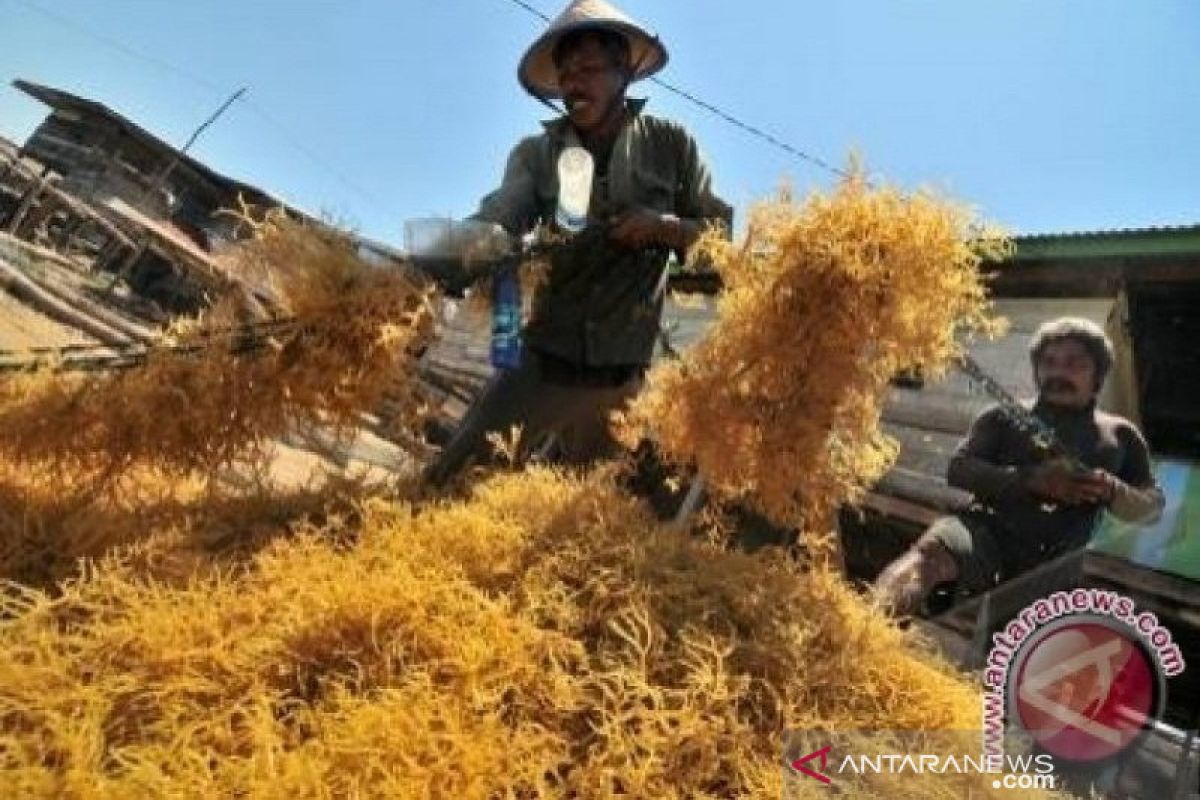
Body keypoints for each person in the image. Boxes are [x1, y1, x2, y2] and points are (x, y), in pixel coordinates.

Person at [424, 0, 731, 486]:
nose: (572, 82)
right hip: (546, 359)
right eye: (565, 73)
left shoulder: (672, 145)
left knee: (580, 518)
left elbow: (719, 240)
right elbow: (498, 220)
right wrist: (425, 263)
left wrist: (665, 226)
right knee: (454, 479)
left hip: (622, 377)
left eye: (587, 68)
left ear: (623, 73)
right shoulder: (537, 155)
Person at [875, 317, 1165, 615]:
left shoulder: (1121, 434)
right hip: (982, 533)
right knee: (929, 559)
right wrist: (1031, 480)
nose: (1057, 372)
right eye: (1048, 363)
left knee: (1002, 647)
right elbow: (958, 469)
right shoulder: (1001, 417)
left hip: (1053, 567)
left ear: (1098, 377)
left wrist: (1110, 489)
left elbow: (1152, 509)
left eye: (1074, 364)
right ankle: (867, 632)